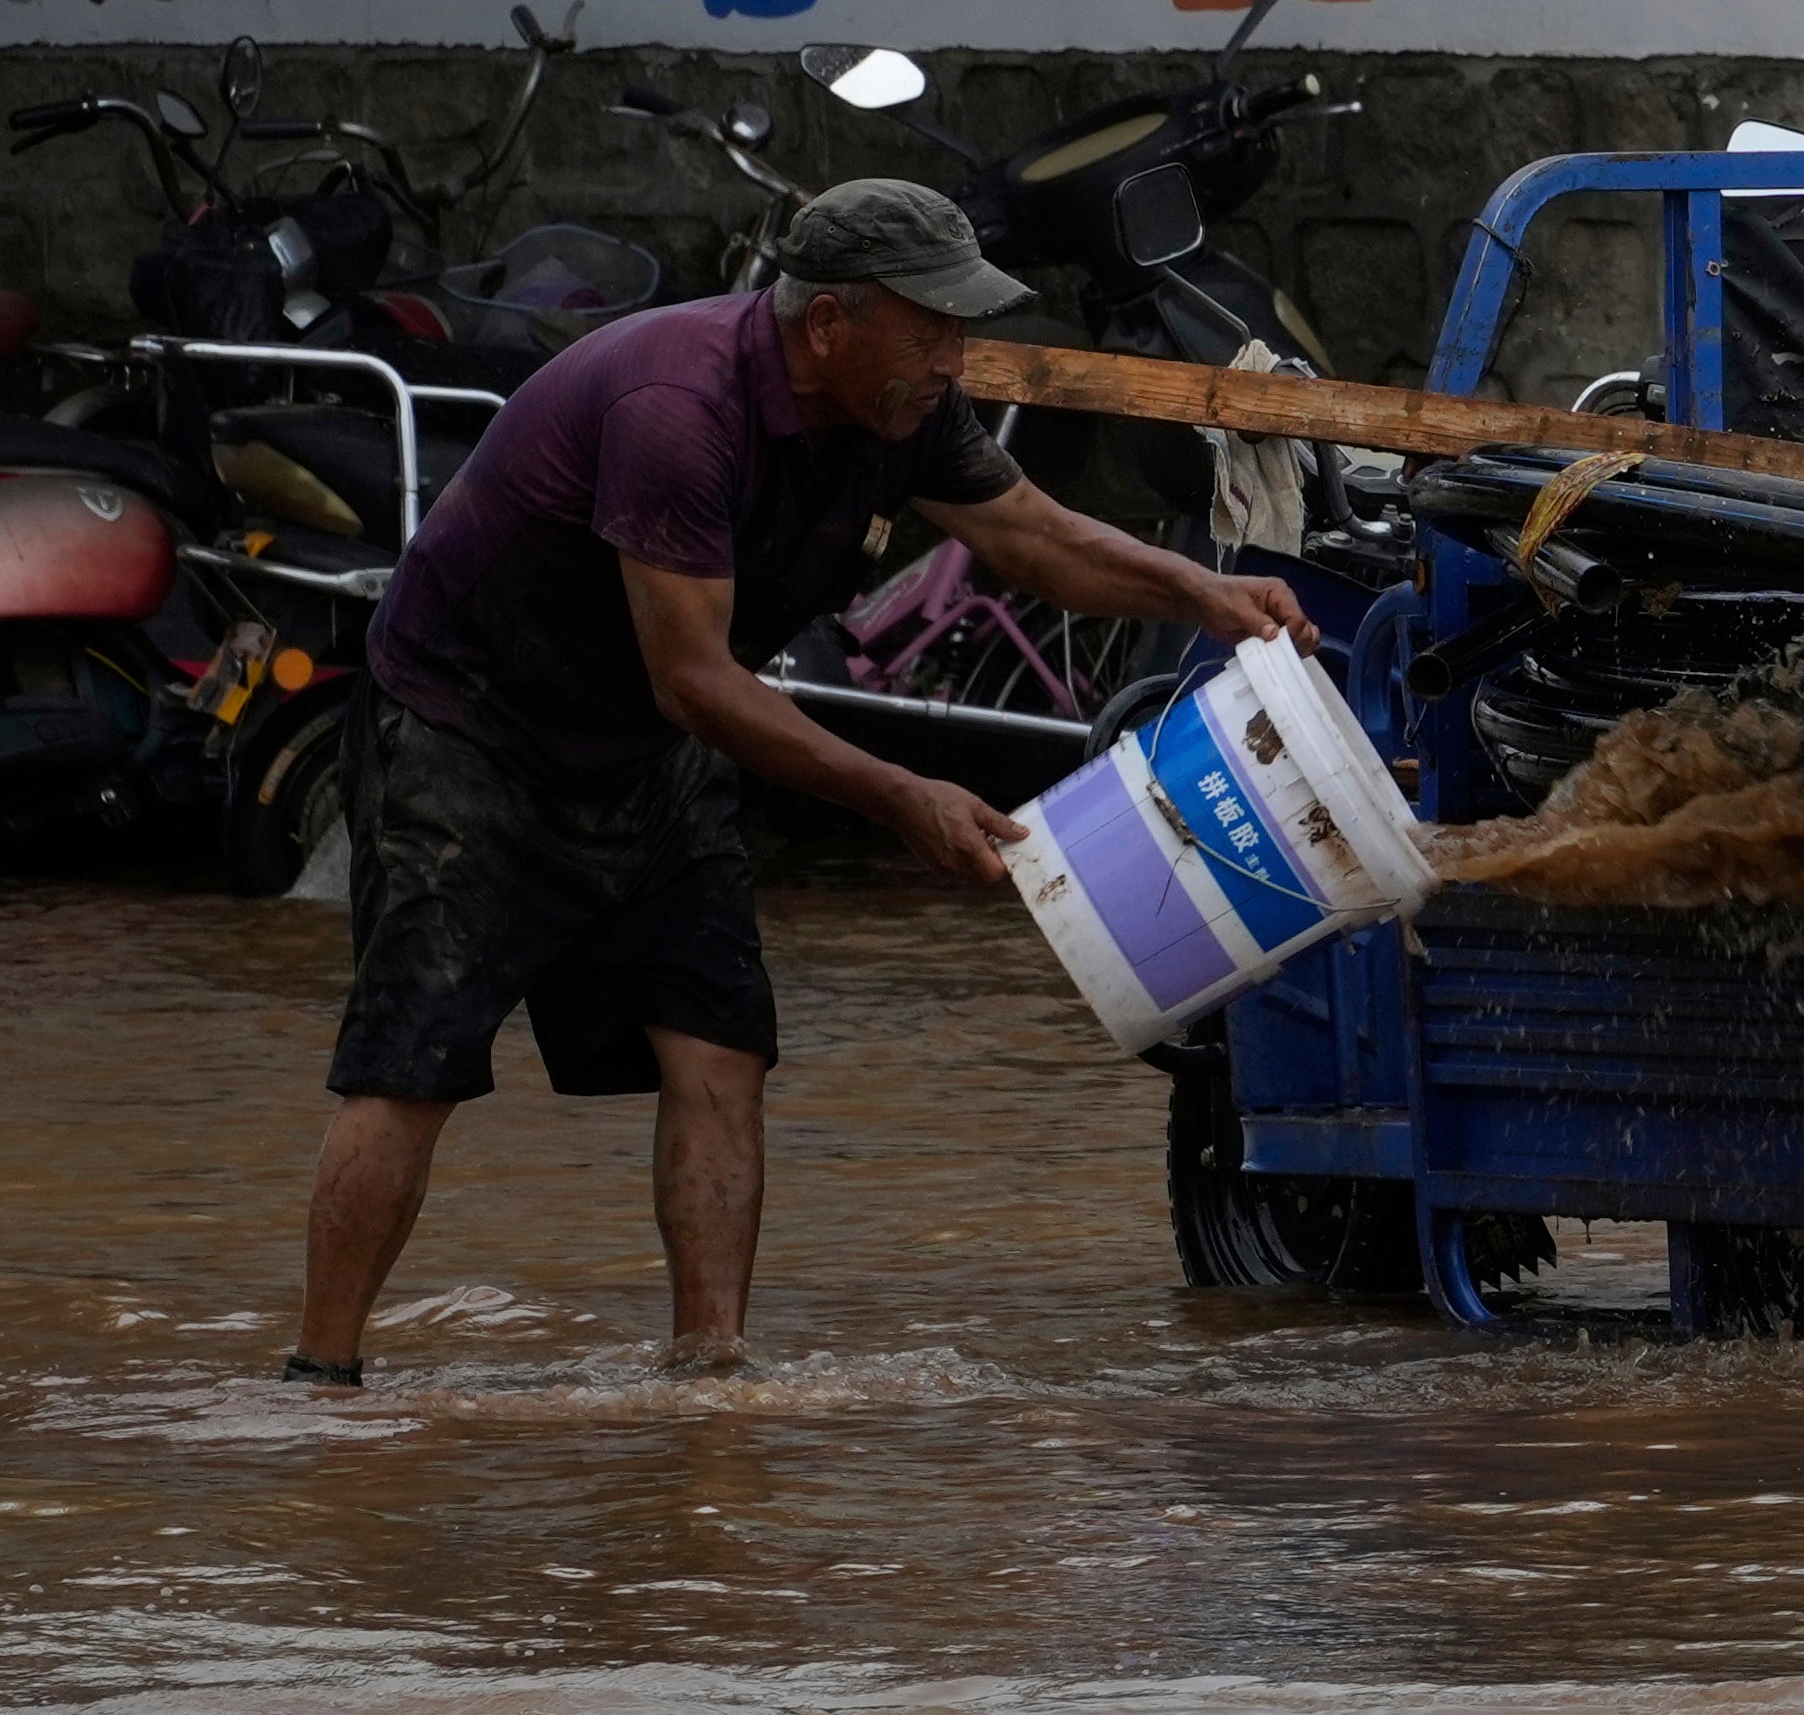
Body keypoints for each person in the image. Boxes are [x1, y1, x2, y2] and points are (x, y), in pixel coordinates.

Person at [298, 177, 1302, 1383]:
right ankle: (323, 1383)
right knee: (413, 1064)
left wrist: (1205, 595)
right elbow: (697, 683)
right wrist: (902, 793)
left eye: (961, 329)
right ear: (829, 322)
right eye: (933, 328)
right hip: (472, 730)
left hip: (645, 748)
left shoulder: (901, 407)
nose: (955, 357)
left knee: (722, 1047)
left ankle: (710, 1376)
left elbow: (1034, 535)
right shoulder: (678, 407)